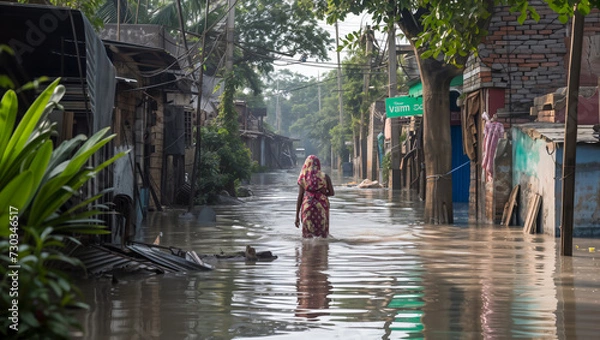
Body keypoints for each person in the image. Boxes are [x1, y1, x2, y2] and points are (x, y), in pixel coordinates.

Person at [295, 155, 334, 238]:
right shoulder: (325, 176)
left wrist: (297, 217)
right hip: (322, 207)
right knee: (323, 235)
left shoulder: (303, 177)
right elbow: (332, 193)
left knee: (307, 237)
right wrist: (322, 193)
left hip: (307, 207)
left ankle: (307, 250)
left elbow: (300, 196)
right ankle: (321, 249)